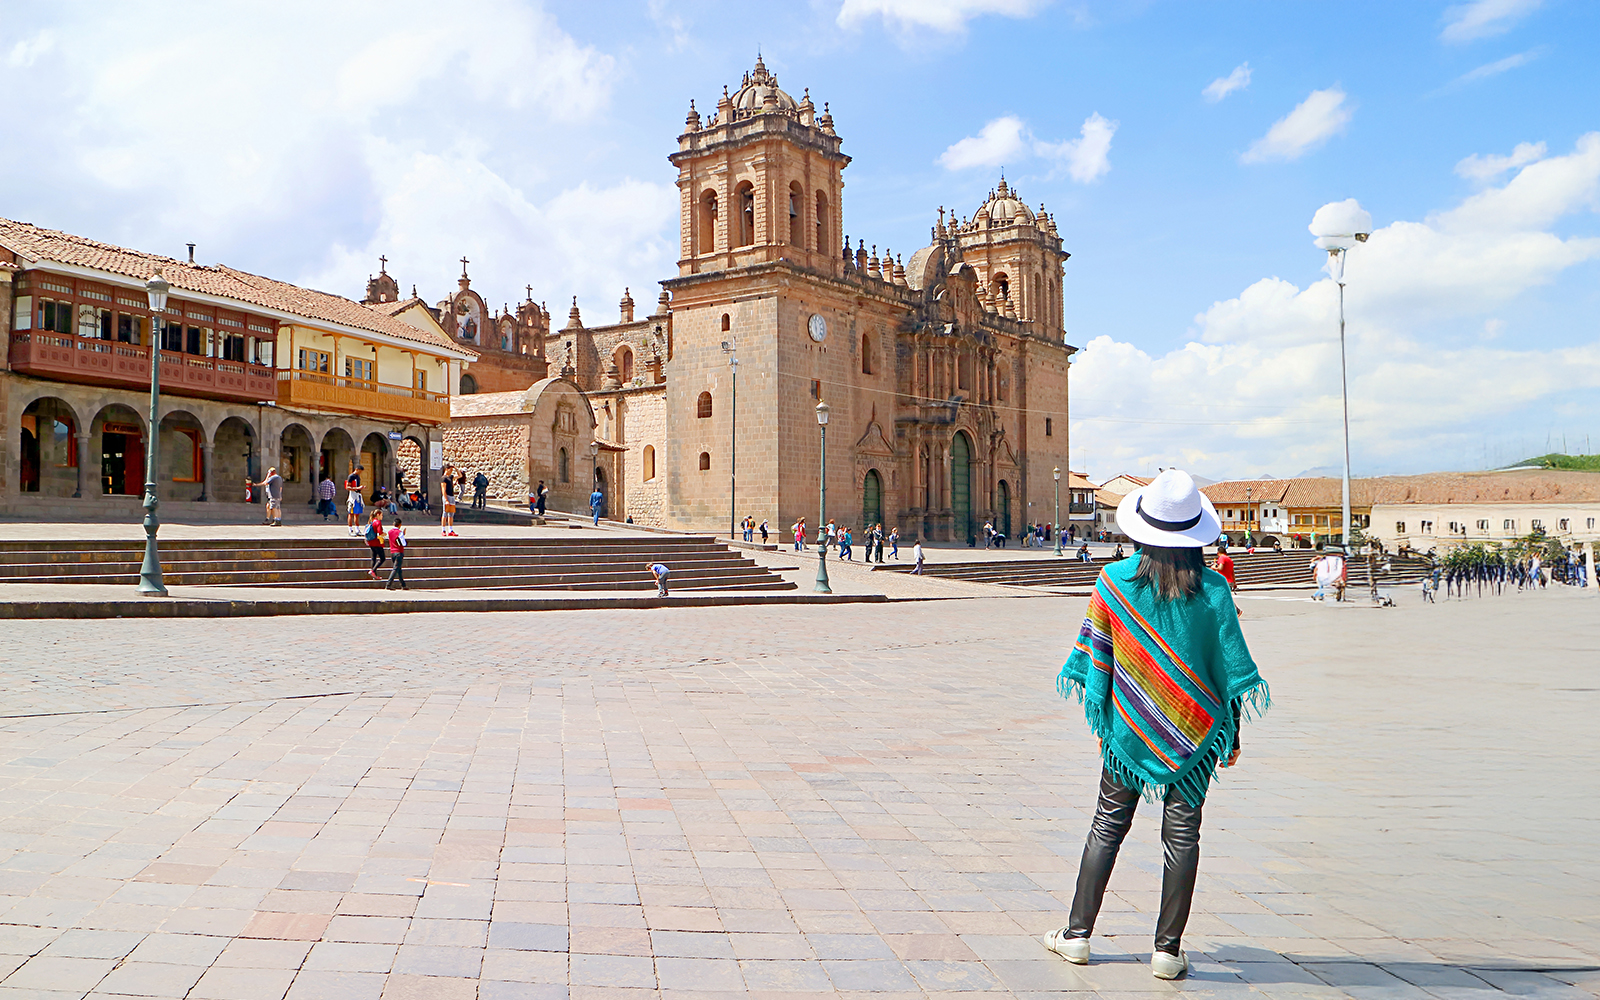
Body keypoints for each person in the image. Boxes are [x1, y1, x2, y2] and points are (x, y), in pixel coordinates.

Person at [1046, 470, 1268, 981]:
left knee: (1106, 826)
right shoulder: (1215, 590)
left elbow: (1099, 660)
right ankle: (1167, 951)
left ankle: (1077, 936)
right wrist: (1231, 735)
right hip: (1196, 730)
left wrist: (1106, 722)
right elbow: (1227, 672)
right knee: (1183, 835)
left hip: (1127, 731)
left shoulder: (1113, 583)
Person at [384, 517, 408, 590]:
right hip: (399, 552)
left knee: (398, 569)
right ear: (400, 525)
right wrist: (403, 535)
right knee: (395, 568)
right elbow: (404, 543)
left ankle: (403, 585)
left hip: (392, 552)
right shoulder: (399, 532)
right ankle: (388, 584)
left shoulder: (389, 532)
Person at [364, 509, 387, 579]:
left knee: (373, 558)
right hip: (377, 543)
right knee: (382, 558)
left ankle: (374, 575)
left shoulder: (371, 521)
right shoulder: (378, 522)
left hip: (371, 542)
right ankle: (373, 570)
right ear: (378, 515)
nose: (382, 517)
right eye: (381, 515)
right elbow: (379, 532)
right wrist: (384, 534)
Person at [344, 465, 365, 536]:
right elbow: (347, 487)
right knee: (351, 513)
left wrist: (360, 488)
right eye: (360, 471)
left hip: (358, 496)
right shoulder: (351, 476)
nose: (360, 473)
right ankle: (350, 529)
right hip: (353, 496)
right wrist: (357, 488)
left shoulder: (358, 477)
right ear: (356, 469)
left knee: (357, 513)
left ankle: (357, 529)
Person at [440, 466, 458, 536]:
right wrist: (446, 499)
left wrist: (456, 468)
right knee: (445, 513)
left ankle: (450, 530)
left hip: (452, 496)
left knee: (451, 514)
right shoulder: (443, 478)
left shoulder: (450, 477)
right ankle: (443, 530)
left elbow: (460, 475)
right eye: (450, 470)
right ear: (446, 469)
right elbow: (443, 490)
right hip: (447, 496)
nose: (451, 471)